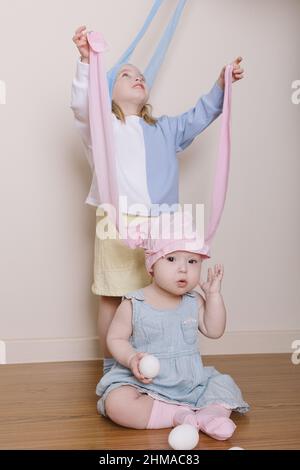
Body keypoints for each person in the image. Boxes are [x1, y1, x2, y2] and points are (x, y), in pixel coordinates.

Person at [70, 24, 245, 376]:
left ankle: (156, 359)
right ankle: (113, 365)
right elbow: (82, 106)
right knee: (113, 294)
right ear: (107, 92)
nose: (136, 77)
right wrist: (87, 62)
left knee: (155, 296)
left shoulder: (164, 129)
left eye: (140, 76)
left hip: (163, 225)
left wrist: (221, 86)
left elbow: (199, 116)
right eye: (125, 74)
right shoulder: (103, 128)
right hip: (117, 224)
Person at [95, 216, 250, 439]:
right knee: (117, 403)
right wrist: (131, 359)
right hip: (144, 384)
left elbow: (214, 330)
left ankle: (209, 414)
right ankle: (179, 415)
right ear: (152, 265)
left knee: (224, 386)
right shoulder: (134, 303)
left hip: (189, 382)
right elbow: (116, 339)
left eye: (192, 261)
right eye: (171, 259)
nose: (183, 269)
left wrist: (214, 296)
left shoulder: (193, 301)